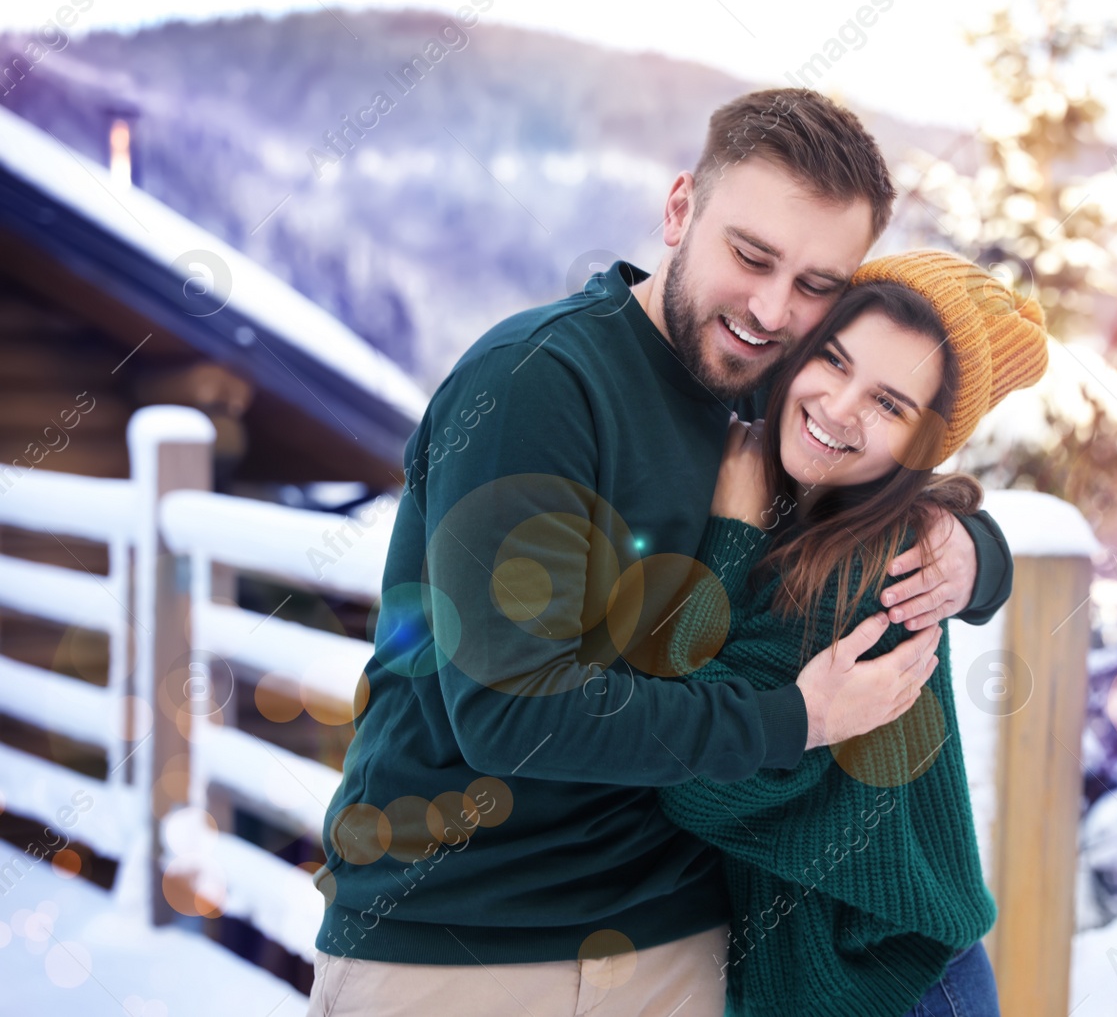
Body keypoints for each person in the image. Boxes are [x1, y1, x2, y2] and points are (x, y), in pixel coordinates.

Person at [305, 90, 1018, 1016]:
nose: (770, 309)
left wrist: (971, 551)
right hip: (474, 943)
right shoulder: (542, 384)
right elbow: (513, 709)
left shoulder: (779, 396)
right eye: (750, 255)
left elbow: (885, 486)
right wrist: (789, 720)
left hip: (680, 943)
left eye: (815, 287)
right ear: (680, 209)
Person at [655, 250, 1049, 1017]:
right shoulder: (794, 492)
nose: (839, 406)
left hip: (890, 985)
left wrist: (731, 533)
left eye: (890, 405)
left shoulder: (877, 565)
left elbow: (692, 767)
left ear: (920, 448)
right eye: (833, 359)